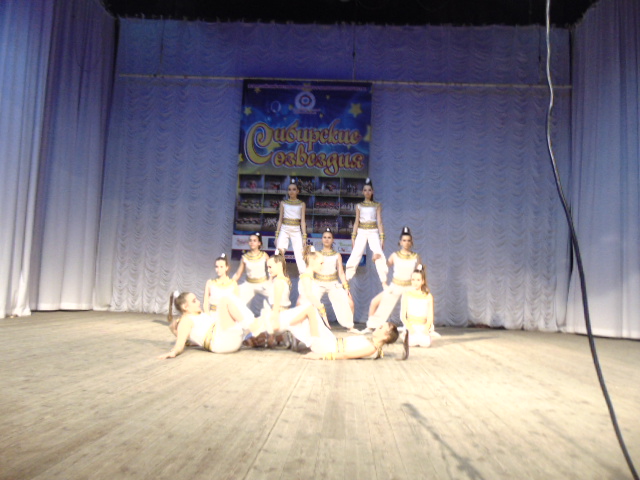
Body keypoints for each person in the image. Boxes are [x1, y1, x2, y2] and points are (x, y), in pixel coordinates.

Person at [363, 227, 422, 332]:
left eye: (408, 240)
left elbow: (419, 273)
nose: (406, 242)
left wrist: (420, 287)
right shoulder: (395, 255)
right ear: (400, 242)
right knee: (382, 306)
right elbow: (385, 266)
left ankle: (414, 327)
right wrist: (377, 259)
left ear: (411, 242)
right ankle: (371, 326)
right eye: (404, 240)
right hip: (396, 285)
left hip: (410, 286)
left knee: (414, 307)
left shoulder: (416, 256)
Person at [158, 291, 247, 359]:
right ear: (185, 307)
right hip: (222, 343)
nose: (198, 302)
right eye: (194, 301)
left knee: (230, 304)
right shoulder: (185, 321)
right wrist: (173, 352)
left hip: (228, 340)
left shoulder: (199, 314)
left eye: (196, 299)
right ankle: (250, 327)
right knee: (226, 301)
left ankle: (250, 332)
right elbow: (179, 344)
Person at [313, 228, 358, 332]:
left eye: (329, 237)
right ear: (321, 239)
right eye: (324, 237)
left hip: (333, 284)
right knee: (309, 302)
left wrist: (346, 288)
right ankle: (310, 326)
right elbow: (312, 269)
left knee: (350, 302)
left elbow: (341, 273)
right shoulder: (317, 254)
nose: (326, 239)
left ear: (333, 240)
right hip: (318, 283)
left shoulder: (337, 255)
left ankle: (350, 326)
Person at [345, 178, 387, 286]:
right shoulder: (359, 205)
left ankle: (383, 280)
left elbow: (379, 222)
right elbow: (356, 222)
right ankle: (347, 278)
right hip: (362, 231)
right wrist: (353, 237)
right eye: (365, 190)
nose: (367, 192)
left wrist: (382, 238)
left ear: (372, 192)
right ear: (363, 192)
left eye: (369, 190)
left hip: (373, 231)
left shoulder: (377, 205)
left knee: (378, 252)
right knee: (356, 253)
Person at [303, 321, 409, 360]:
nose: (377, 328)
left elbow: (345, 355)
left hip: (328, 348)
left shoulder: (372, 349)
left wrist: (320, 356)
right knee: (310, 313)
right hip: (331, 342)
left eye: (381, 328)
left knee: (310, 312)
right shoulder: (371, 343)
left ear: (385, 337)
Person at [275, 178, 307, 273]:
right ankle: (276, 272)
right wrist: (277, 235)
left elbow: (303, 221)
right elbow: (280, 219)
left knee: (299, 253)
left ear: (298, 191)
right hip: (284, 229)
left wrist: (304, 236)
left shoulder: (301, 204)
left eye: (294, 189)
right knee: (279, 251)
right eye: (289, 189)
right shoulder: (283, 203)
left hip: (296, 229)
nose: (291, 191)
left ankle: (303, 274)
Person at [232, 232, 270, 311]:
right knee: (238, 303)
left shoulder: (264, 255)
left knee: (273, 300)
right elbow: (238, 274)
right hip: (249, 284)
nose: (252, 242)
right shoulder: (244, 257)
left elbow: (272, 270)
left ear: (259, 243)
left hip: (263, 283)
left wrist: (272, 281)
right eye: (250, 240)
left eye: (254, 240)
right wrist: (229, 283)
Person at [400, 264, 435, 347]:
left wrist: (426, 327)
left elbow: (430, 316)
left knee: (425, 344)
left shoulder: (428, 296)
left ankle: (428, 336)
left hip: (423, 326)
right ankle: (405, 335)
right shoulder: (406, 294)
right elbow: (403, 316)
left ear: (423, 281)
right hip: (411, 326)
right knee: (411, 343)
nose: (415, 282)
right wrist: (409, 327)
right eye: (413, 279)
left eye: (418, 280)